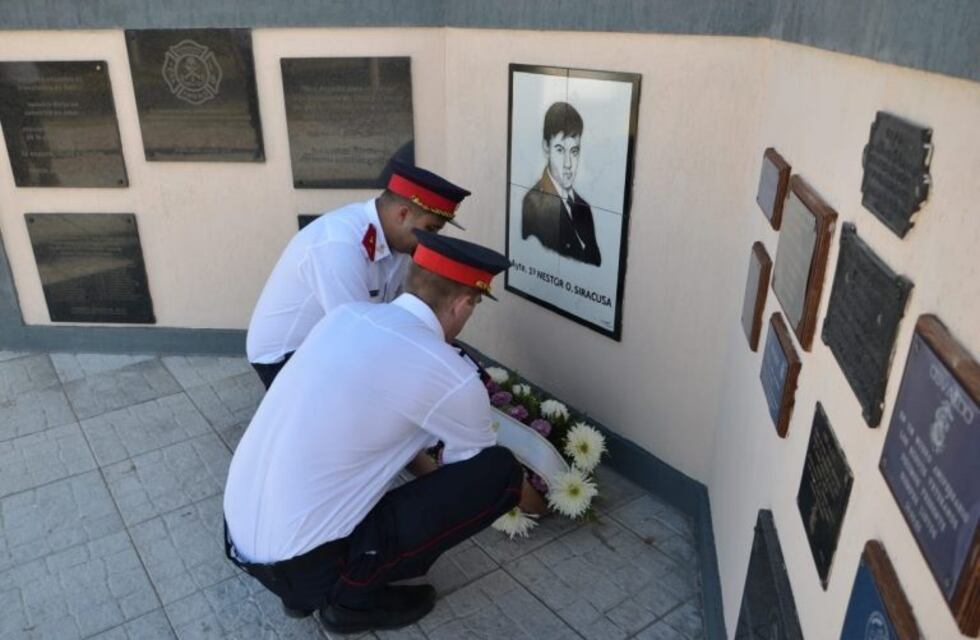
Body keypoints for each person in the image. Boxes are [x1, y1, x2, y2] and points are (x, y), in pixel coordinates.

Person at [223, 230, 542, 633]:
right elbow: (467, 471)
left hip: (237, 536)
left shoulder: (345, 316)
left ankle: (304, 590)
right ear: (463, 305)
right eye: (473, 305)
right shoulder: (451, 374)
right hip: (301, 568)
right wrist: (536, 497)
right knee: (497, 471)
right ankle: (349, 602)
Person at [246, 161, 471, 389]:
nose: (430, 240)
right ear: (403, 214)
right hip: (286, 355)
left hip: (331, 341)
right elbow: (356, 335)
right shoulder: (339, 244)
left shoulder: (400, 241)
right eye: (430, 229)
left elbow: (396, 314)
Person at [521, 101, 602, 266]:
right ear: (546, 147)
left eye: (574, 151)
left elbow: (596, 262)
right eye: (560, 150)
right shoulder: (533, 202)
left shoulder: (583, 207)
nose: (568, 164)